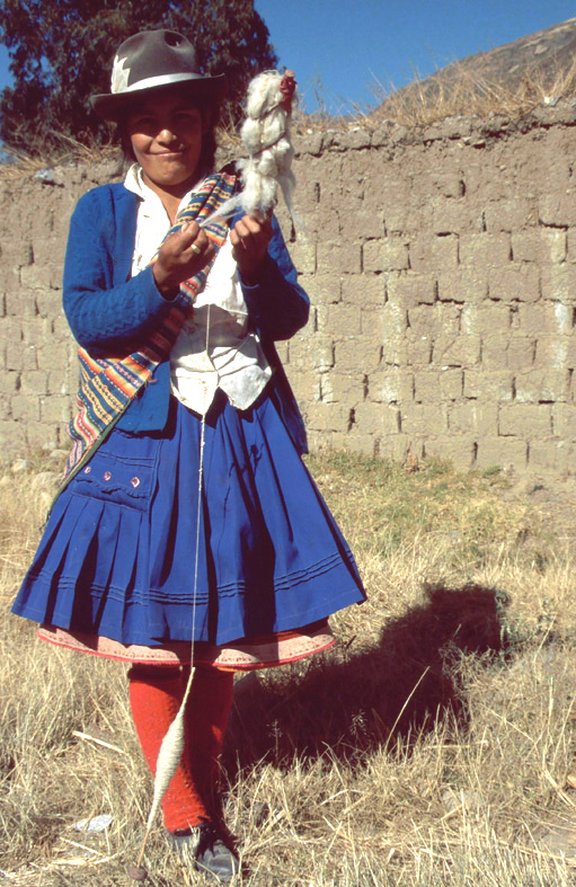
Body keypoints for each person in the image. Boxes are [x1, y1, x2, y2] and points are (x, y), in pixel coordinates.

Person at [11, 30, 366, 882]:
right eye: (147, 121)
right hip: (145, 441)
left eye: (183, 117)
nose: (167, 135)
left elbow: (285, 316)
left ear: (209, 124)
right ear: (123, 132)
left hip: (241, 431)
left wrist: (258, 266)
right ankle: (186, 811)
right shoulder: (101, 214)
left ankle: (196, 786)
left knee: (221, 628)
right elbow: (90, 320)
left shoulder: (245, 197)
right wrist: (161, 278)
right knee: (157, 633)